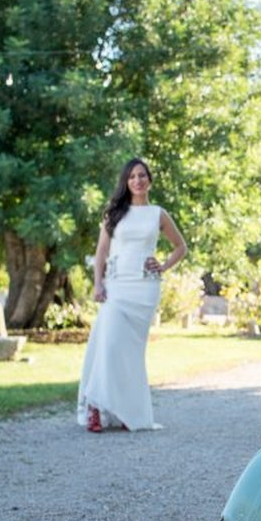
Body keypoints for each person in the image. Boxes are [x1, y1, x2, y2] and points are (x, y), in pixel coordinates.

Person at [77, 157, 187, 433]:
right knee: (109, 344)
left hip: (145, 288)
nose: (137, 180)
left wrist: (162, 265)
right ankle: (95, 406)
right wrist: (97, 284)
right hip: (116, 287)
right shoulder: (114, 213)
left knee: (130, 354)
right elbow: (101, 251)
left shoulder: (158, 214)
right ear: (126, 182)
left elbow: (180, 247)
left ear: (149, 179)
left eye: (142, 175)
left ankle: (127, 411)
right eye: (132, 177)